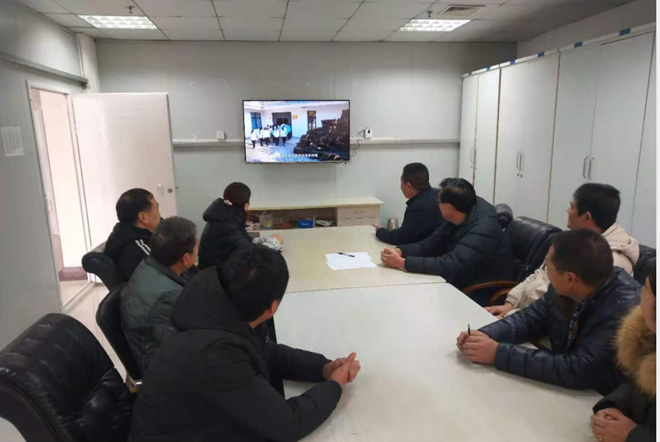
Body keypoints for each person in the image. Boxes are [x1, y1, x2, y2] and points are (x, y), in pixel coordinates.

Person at [129, 245, 361, 442]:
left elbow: (267, 352)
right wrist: (335, 385)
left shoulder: (221, 304)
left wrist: (323, 368)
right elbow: (287, 424)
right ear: (273, 308)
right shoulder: (216, 353)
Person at [457, 230, 641, 395]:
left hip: (599, 400)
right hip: (563, 390)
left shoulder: (623, 308)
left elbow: (579, 370)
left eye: (548, 268)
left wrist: (498, 353)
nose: (546, 274)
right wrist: (485, 335)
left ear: (570, 278)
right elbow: (531, 319)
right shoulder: (570, 285)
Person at [487, 183, 639, 319]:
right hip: (524, 316)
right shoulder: (572, 240)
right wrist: (510, 304)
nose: (567, 210)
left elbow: (562, 312)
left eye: (572, 207)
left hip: (545, 330)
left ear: (586, 217)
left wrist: (510, 317)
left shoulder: (608, 261)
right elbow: (540, 273)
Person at [381, 178, 514, 293]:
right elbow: (432, 243)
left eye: (439, 202)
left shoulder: (482, 229)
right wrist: (400, 251)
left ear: (449, 208)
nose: (437, 205)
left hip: (482, 288)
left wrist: (403, 263)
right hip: (465, 275)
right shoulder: (461, 210)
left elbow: (452, 264)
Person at [120, 216, 198, 373]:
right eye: (197, 247)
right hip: (166, 372)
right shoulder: (169, 297)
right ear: (186, 258)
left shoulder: (148, 266)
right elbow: (182, 350)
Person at [591, 262, 656, 442]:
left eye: (646, 289)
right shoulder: (648, 337)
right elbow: (639, 385)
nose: (640, 292)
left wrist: (632, 436)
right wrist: (613, 406)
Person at [199, 182, 283, 270]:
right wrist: (275, 242)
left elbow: (246, 241)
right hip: (219, 276)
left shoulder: (224, 216)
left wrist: (268, 240)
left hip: (219, 270)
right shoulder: (227, 226)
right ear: (246, 205)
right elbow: (253, 256)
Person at [374, 163, 444, 246]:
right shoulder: (439, 194)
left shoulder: (418, 207)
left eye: (401, 183)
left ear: (408, 186)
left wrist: (380, 231)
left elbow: (401, 238)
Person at [105, 188, 161, 281]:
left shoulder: (125, 233)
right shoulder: (136, 247)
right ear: (143, 217)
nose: (160, 215)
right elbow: (168, 272)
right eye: (157, 210)